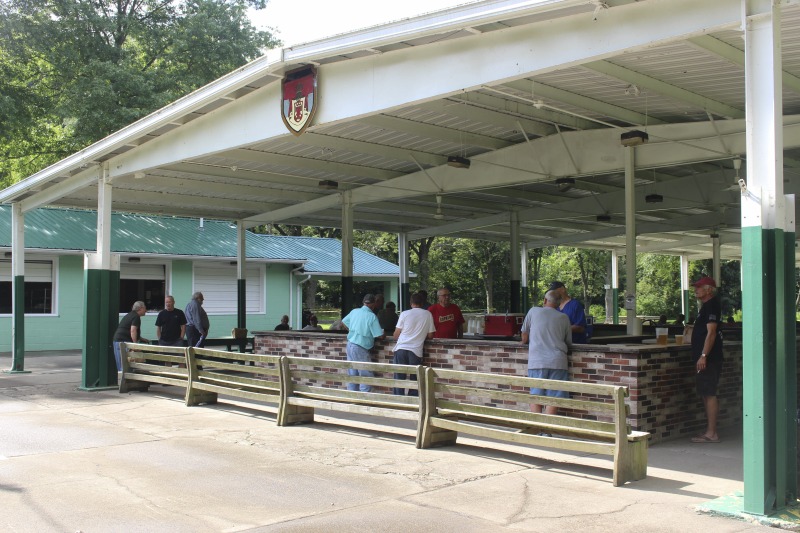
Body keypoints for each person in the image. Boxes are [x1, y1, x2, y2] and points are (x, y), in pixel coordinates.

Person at [520, 290, 572, 416]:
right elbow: (568, 342)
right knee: (554, 397)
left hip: (537, 361)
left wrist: (525, 341)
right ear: (559, 304)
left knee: (536, 395)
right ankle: (546, 430)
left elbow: (524, 337)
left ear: (544, 300)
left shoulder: (533, 311)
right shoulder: (564, 317)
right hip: (558, 362)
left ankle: (538, 429)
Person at [688, 276, 723, 443]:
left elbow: (712, 333)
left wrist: (703, 355)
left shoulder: (711, 306)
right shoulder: (706, 307)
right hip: (704, 357)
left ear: (709, 289)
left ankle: (712, 433)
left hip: (708, 358)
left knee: (709, 393)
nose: (696, 289)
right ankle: (709, 431)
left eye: (699, 287)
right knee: (705, 392)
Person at [391, 293, 435, 395]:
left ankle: (398, 399)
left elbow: (396, 335)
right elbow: (431, 335)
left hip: (401, 348)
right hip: (416, 350)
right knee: (415, 377)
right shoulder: (428, 314)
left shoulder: (404, 314)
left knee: (399, 376)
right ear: (423, 303)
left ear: (411, 303)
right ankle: (413, 400)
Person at [341, 294, 385, 392]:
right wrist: (383, 334)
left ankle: (352, 399)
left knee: (352, 373)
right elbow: (379, 335)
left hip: (350, 344)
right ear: (373, 304)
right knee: (366, 374)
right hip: (361, 347)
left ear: (363, 302)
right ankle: (364, 400)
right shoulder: (371, 316)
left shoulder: (354, 311)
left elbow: (343, 322)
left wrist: (352, 331)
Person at [113, 301, 148, 371]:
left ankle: (122, 380)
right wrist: (135, 345)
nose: (146, 310)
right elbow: (133, 330)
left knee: (120, 365)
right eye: (145, 308)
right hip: (123, 342)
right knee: (125, 365)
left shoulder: (129, 315)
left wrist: (141, 338)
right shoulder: (136, 317)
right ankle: (125, 381)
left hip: (117, 340)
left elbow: (127, 329)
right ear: (140, 308)